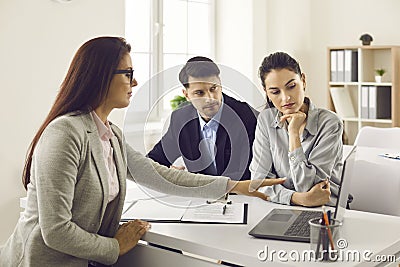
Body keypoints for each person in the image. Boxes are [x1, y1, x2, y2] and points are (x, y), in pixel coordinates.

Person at [0, 37, 285, 267]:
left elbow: (158, 175)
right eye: (128, 74)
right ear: (101, 77)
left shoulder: (110, 134)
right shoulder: (65, 133)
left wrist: (235, 186)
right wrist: (115, 246)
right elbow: (56, 230)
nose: (135, 82)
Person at [250, 52, 343, 207]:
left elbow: (309, 187)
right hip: (283, 207)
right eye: (275, 92)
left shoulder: (330, 123)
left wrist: (293, 134)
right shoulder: (266, 120)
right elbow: (258, 182)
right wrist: (296, 198)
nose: (286, 98)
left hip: (325, 211)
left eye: (291, 86)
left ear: (303, 81)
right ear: (266, 92)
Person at [147, 56, 258, 180]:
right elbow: (153, 162)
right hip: (199, 198)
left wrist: (187, 180)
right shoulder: (180, 119)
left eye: (213, 88)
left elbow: (248, 174)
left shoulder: (247, 117)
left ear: (220, 84)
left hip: (242, 197)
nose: (210, 98)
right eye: (199, 93)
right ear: (186, 95)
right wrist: (171, 175)